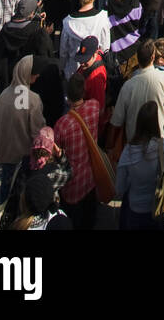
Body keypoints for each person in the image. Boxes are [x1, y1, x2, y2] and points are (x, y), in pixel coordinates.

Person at [116, 100, 164, 230]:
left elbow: (119, 188)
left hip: (135, 210)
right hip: (158, 209)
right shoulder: (162, 146)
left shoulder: (128, 151)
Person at [0, 55, 46, 202]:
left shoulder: (3, 95)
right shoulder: (33, 99)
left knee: (6, 189)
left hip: (6, 153)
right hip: (24, 158)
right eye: (34, 74)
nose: (37, 76)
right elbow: (37, 133)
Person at [53, 72, 100, 229]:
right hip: (91, 176)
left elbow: (57, 151)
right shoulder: (94, 107)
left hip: (72, 184)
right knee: (89, 217)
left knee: (75, 220)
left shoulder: (63, 124)